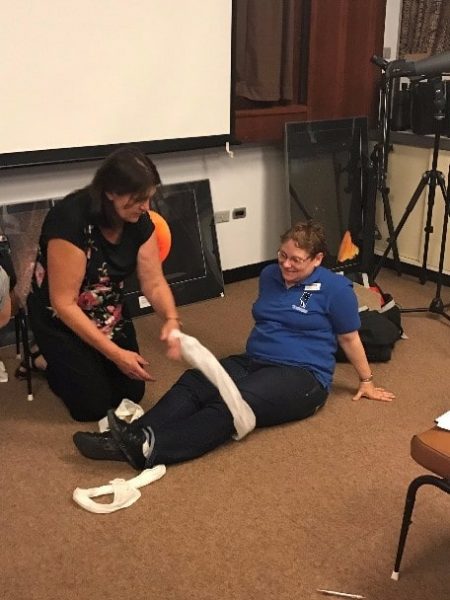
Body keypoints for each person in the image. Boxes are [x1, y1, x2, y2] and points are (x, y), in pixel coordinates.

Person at [73, 221, 395, 469]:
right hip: (255, 360)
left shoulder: (336, 289)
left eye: (296, 260)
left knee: (231, 402)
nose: (286, 265)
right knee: (195, 382)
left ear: (318, 259)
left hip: (303, 376)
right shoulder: (270, 275)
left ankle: (150, 448)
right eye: (283, 255)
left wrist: (366, 380)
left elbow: (349, 337)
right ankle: (128, 436)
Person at [27, 146, 181, 422]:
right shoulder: (70, 220)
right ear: (110, 192)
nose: (146, 207)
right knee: (92, 407)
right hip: (60, 317)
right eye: (138, 199)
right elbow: (63, 303)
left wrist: (170, 319)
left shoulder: (140, 221)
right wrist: (116, 354)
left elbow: (154, 282)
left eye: (149, 198)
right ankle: (43, 358)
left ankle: (86, 361)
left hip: (107, 310)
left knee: (131, 392)